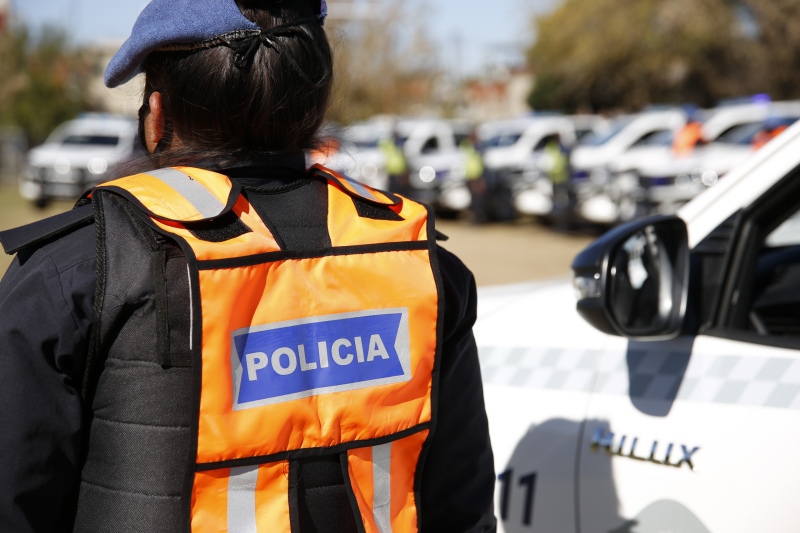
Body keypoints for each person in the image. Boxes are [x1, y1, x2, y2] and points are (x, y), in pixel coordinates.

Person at [0, 1, 497, 532]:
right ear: (311, 109)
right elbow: (462, 510)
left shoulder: (74, 273)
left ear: (157, 116)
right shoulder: (421, 265)